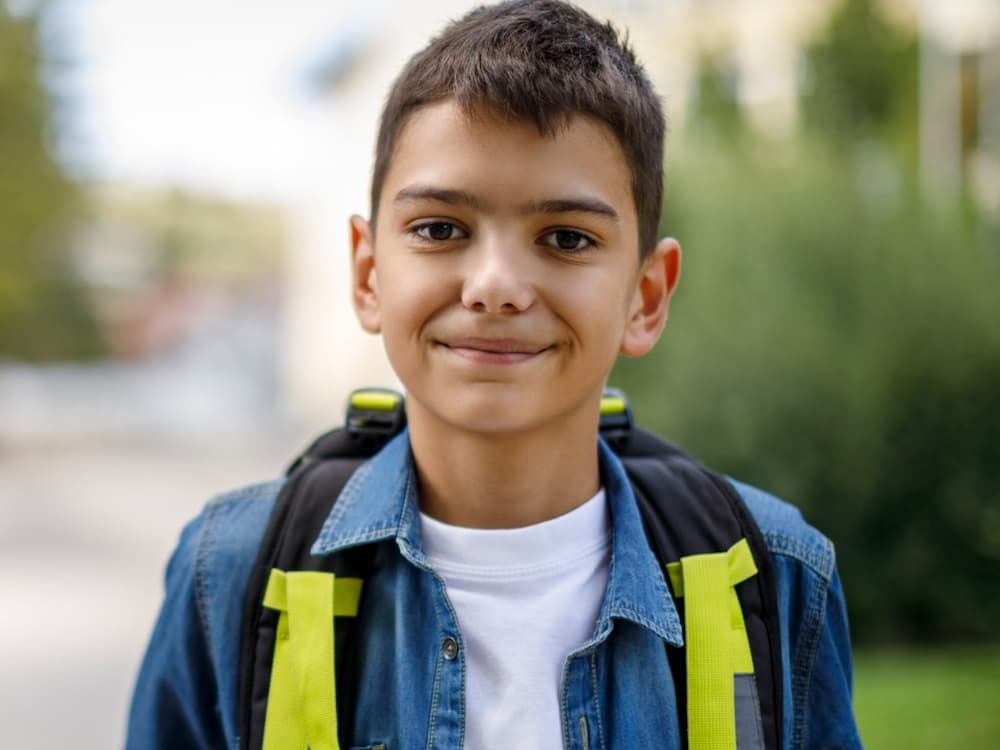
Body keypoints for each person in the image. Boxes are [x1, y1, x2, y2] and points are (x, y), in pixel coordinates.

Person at [126, 1, 862, 748]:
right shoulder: (228, 571)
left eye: (567, 238)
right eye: (441, 229)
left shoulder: (777, 575)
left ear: (646, 296)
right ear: (369, 273)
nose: (495, 285)